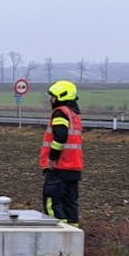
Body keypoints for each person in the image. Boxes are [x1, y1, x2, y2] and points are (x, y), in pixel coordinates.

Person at [40, 79, 83, 225]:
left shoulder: (60, 113)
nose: (50, 99)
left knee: (52, 202)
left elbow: (60, 136)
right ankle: (73, 239)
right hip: (74, 167)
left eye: (52, 96)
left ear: (60, 96)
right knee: (70, 205)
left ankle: (57, 238)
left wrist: (52, 158)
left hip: (59, 166)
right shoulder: (74, 114)